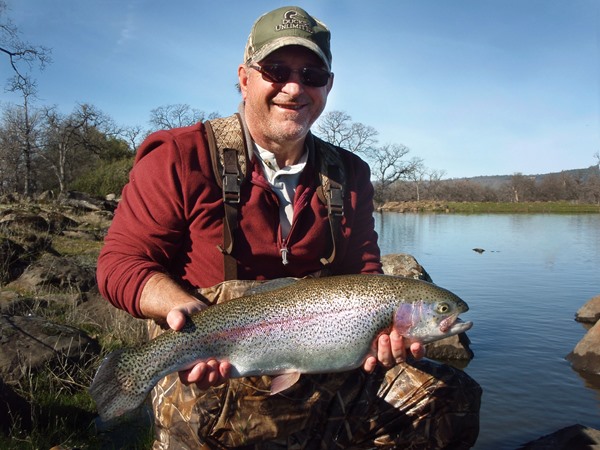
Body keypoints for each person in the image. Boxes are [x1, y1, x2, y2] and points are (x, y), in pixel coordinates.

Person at [97, 6, 480, 449]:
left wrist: (384, 340)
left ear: (328, 86)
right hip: (204, 367)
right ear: (245, 78)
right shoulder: (179, 156)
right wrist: (180, 307)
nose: (294, 88)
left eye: (312, 74)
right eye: (276, 70)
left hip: (320, 361)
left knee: (450, 398)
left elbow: (365, 272)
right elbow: (120, 265)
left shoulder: (348, 172)